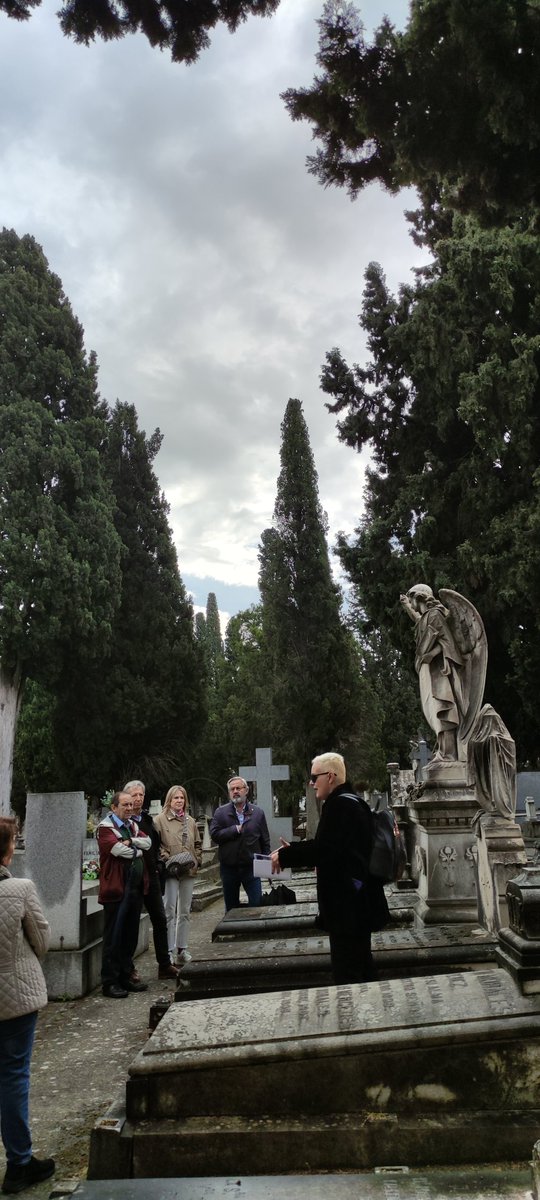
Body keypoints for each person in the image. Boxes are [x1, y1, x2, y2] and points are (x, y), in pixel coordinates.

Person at [271, 752, 389, 985]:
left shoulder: (339, 805)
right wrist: (294, 850)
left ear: (331, 776)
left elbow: (325, 850)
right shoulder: (352, 802)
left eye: (315, 777)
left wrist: (285, 855)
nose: (311, 783)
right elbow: (337, 849)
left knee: (348, 973)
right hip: (357, 900)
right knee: (362, 966)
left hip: (347, 905)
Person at [0, 817, 55, 1195]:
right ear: (8, 850)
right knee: (14, 1076)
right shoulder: (19, 889)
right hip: (15, 997)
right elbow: (42, 938)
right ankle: (19, 1163)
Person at [97, 791, 151, 998]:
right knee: (114, 936)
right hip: (117, 889)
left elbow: (148, 844)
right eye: (125, 805)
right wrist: (136, 848)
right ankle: (110, 981)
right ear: (114, 807)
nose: (129, 808)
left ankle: (126, 976)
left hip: (135, 887)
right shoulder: (105, 828)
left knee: (130, 935)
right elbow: (119, 851)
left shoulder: (133, 826)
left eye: (131, 805)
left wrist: (133, 842)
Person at [123, 781, 179, 981]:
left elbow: (154, 847)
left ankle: (164, 964)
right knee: (131, 924)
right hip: (133, 878)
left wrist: (159, 864)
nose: (138, 798)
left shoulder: (147, 820)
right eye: (134, 795)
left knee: (160, 920)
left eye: (141, 795)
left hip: (152, 877)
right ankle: (128, 968)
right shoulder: (123, 821)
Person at [154, 786, 201, 966]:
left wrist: (197, 859)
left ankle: (182, 948)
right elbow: (157, 845)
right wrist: (169, 859)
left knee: (185, 911)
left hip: (188, 870)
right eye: (176, 798)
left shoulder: (190, 821)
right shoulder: (159, 820)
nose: (179, 801)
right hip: (171, 870)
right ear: (169, 800)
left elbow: (197, 843)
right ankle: (168, 950)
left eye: (182, 798)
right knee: (169, 911)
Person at [210, 776, 270, 911]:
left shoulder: (258, 813)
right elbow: (214, 835)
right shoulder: (221, 812)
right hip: (229, 869)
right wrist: (234, 830)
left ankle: (255, 931)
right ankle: (235, 932)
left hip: (251, 867)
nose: (235, 791)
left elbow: (265, 841)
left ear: (246, 790)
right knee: (231, 909)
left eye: (238, 788)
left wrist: (266, 864)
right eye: (232, 789)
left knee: (257, 905)